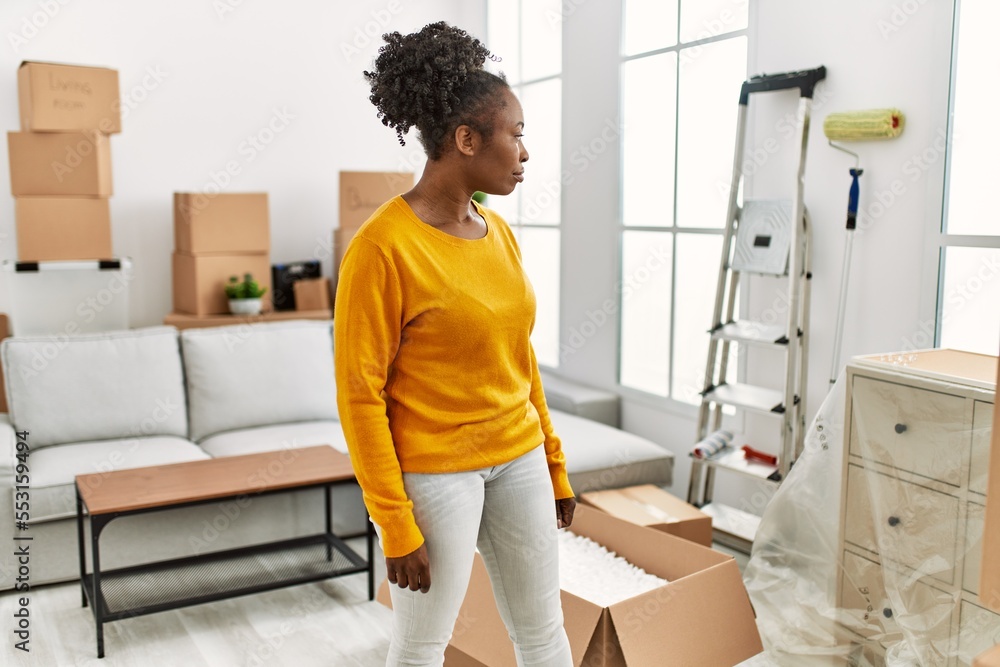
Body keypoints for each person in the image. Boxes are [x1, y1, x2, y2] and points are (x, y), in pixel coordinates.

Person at [333, 20, 576, 667]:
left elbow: (520, 360)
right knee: (420, 646)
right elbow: (360, 396)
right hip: (436, 473)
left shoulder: (498, 234)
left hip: (519, 455)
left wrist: (552, 460)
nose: (525, 152)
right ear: (466, 139)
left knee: (543, 631)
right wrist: (394, 521)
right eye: (516, 135)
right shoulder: (381, 247)